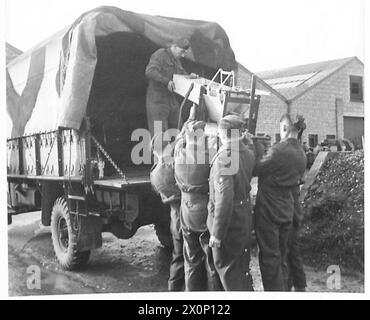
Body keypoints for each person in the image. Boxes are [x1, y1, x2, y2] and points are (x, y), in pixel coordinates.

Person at [201, 114, 255, 291]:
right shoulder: (247, 153)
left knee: (228, 273)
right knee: (241, 271)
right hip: (244, 220)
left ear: (223, 134)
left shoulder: (224, 158)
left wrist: (217, 234)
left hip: (229, 227)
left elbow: (224, 200)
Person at [253, 113, 307, 291]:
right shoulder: (301, 152)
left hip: (269, 212)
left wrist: (256, 147)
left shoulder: (278, 151)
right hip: (286, 211)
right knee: (282, 256)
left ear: (284, 128)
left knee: (270, 258)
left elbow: (256, 168)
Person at [174, 116, 212, 291]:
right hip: (204, 212)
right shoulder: (208, 157)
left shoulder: (178, 154)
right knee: (210, 260)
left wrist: (187, 122)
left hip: (186, 212)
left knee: (191, 259)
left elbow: (179, 139)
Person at [150, 133, 184, 291]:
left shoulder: (154, 173)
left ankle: (173, 289)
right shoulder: (174, 164)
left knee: (178, 255)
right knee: (192, 255)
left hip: (174, 216)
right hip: (185, 212)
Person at [145, 38, 190, 136]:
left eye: (185, 53)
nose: (183, 55)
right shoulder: (160, 55)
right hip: (157, 101)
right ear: (174, 47)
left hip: (171, 100)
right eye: (182, 51)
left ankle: (177, 151)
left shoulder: (176, 60)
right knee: (159, 135)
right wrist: (166, 82)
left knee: (179, 130)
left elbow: (181, 73)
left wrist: (189, 76)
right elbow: (150, 71)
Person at [287, 183, 307, 291]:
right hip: (294, 211)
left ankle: (295, 285)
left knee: (288, 251)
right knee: (293, 252)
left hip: (289, 211)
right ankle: (298, 285)